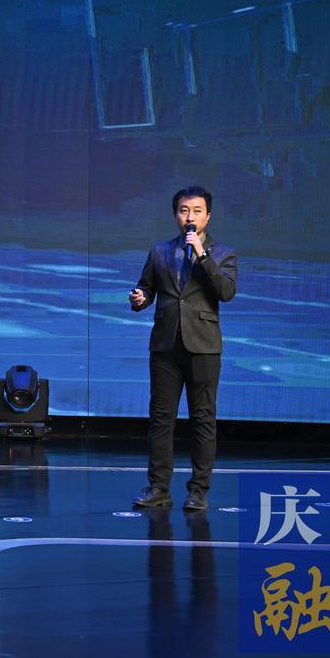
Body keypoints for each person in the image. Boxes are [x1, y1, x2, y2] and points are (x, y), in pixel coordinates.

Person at [128, 185, 237, 511]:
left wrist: (202, 255)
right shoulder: (159, 251)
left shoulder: (223, 254)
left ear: (208, 216)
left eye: (197, 211)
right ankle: (158, 487)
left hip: (203, 346)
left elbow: (226, 292)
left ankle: (198, 490)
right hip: (165, 345)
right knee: (161, 418)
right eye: (184, 210)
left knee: (202, 419)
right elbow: (146, 289)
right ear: (176, 215)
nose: (190, 217)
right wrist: (140, 298)